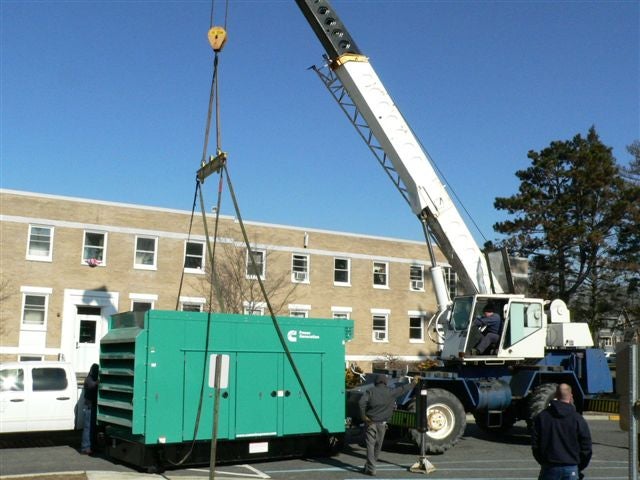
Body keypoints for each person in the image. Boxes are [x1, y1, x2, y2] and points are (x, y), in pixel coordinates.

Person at [358, 374, 417, 476]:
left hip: (370, 422)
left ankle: (370, 467)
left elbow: (361, 403)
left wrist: (364, 417)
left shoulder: (370, 391)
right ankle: (371, 465)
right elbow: (403, 388)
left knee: (370, 445)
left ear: (376, 382)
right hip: (382, 424)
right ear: (385, 382)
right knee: (378, 446)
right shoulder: (391, 392)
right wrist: (414, 383)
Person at [531, 383, 592, 480]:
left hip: (549, 466)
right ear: (571, 396)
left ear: (555, 396)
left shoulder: (542, 417)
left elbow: (535, 443)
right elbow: (586, 446)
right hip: (571, 467)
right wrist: (579, 466)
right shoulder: (577, 419)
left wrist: (543, 461)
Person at [80, 363, 99, 455]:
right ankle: (85, 447)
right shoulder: (89, 379)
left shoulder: (91, 378)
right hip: (89, 407)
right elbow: (92, 386)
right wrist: (98, 382)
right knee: (88, 428)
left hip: (92, 406)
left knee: (92, 427)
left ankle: (90, 446)